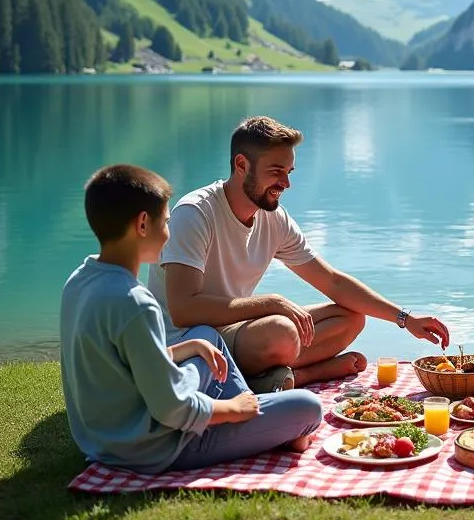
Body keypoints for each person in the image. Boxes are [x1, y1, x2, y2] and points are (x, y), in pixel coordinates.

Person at [147, 116, 450, 392]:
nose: (286, 183)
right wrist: (273, 303)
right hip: (188, 344)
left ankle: (278, 375)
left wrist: (405, 319)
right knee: (281, 331)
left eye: (289, 171)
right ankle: (299, 375)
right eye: (276, 172)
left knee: (352, 316)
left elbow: (332, 282)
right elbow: (183, 309)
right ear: (241, 165)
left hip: (235, 332)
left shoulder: (272, 218)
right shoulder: (195, 214)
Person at [60, 164, 323, 474]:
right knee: (308, 408)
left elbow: (120, 363)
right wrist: (230, 409)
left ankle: (254, 413)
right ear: (143, 224)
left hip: (104, 439)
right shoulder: (134, 302)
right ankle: (261, 420)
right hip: (158, 446)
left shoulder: (80, 281)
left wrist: (186, 349)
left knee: (205, 337)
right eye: (167, 222)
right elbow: (171, 409)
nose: (171, 233)